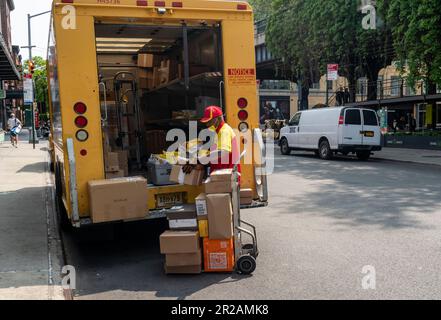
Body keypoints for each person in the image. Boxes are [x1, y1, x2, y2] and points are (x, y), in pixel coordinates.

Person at [183, 106, 241, 181]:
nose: (207, 124)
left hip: (228, 177)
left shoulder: (224, 131)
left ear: (218, 119)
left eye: (210, 121)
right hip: (222, 175)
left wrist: (198, 160)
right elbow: (214, 155)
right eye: (206, 122)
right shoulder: (217, 132)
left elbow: (223, 152)